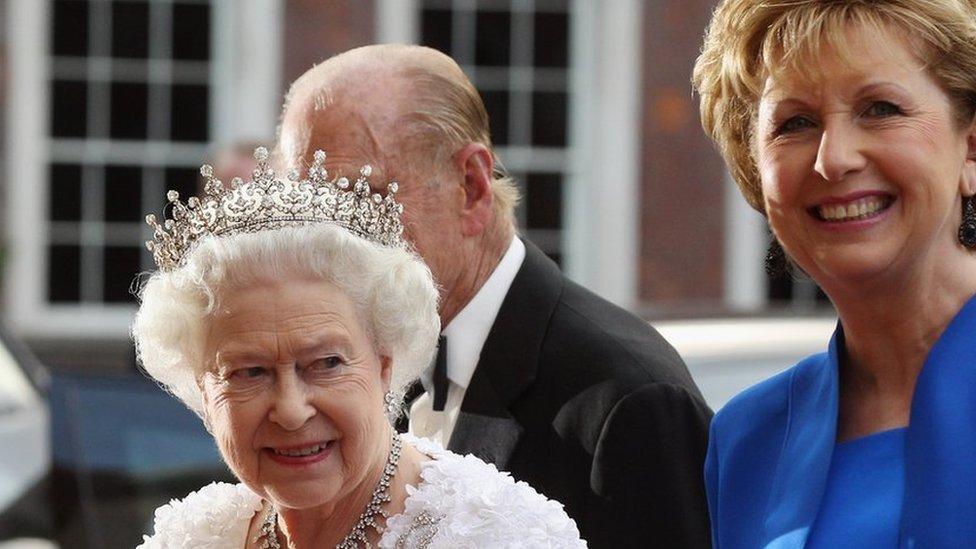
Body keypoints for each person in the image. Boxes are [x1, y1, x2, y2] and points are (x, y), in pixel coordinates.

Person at [277, 44, 713, 548]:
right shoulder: (367, 363)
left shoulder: (627, 403)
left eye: (359, 200)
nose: (328, 240)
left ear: (472, 186)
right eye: (309, 209)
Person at [133, 148, 586, 548]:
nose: (291, 411)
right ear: (203, 391)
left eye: (326, 364)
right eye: (249, 372)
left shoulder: (497, 537)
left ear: (385, 363)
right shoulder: (199, 538)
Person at [693, 0, 976, 546]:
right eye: (795, 123)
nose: (834, 158)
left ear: (970, 148)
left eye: (880, 109)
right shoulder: (749, 439)